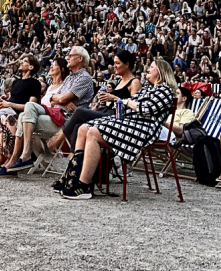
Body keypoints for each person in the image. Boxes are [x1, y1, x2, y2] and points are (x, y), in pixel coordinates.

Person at [54, 58, 176, 199]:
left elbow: (145, 109)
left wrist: (123, 101)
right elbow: (129, 106)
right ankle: (72, 178)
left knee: (93, 132)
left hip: (142, 130)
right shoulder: (148, 89)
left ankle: (84, 185)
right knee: (83, 128)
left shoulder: (165, 91)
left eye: (152, 67)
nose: (148, 68)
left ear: (161, 72)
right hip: (129, 123)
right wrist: (120, 102)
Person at [0, 46, 94, 177]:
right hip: (55, 113)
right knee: (29, 106)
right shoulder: (70, 78)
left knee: (22, 117)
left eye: (70, 55)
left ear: (80, 58)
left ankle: (16, 160)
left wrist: (61, 99)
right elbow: (53, 99)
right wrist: (59, 99)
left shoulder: (84, 78)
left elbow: (61, 98)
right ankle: (22, 156)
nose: (67, 57)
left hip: (67, 121)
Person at [47, 49, 141, 151]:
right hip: (105, 112)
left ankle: (57, 140)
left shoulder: (134, 82)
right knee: (78, 125)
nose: (114, 66)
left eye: (117, 63)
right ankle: (74, 158)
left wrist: (114, 98)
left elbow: (135, 108)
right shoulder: (120, 82)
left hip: (117, 117)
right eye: (114, 63)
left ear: (126, 64)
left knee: (79, 112)